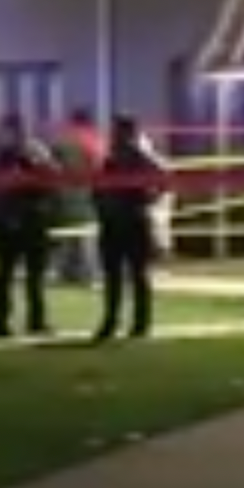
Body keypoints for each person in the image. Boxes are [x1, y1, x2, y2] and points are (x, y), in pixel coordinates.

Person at [93, 113, 168, 341]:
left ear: (129, 133)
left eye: (118, 131)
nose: (114, 135)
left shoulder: (141, 157)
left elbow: (164, 178)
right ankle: (110, 321)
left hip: (133, 223)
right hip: (111, 224)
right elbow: (99, 186)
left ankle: (140, 324)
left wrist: (148, 199)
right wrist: (100, 204)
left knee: (137, 275)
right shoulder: (110, 159)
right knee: (113, 277)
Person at [0, 113, 59, 338]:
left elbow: (53, 175)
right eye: (13, 128)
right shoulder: (1, 154)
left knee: (33, 274)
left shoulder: (36, 149)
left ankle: (35, 320)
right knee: (6, 274)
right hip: (11, 219)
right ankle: (2, 322)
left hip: (32, 217)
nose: (17, 132)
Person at [53, 107, 102, 286]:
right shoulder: (92, 140)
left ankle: (66, 272)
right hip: (86, 191)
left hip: (66, 191)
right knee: (87, 234)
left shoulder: (64, 140)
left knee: (68, 234)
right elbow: (98, 165)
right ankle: (87, 274)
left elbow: (54, 162)